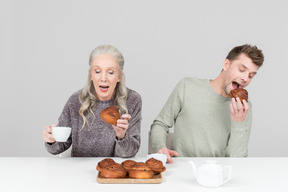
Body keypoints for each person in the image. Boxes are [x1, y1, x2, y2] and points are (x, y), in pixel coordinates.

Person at [150, 44, 264, 163]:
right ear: (226, 65)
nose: (245, 78)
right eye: (241, 70)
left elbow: (237, 161)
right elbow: (160, 124)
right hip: (180, 169)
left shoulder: (244, 108)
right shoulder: (187, 87)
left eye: (251, 75)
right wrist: (160, 147)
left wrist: (238, 124)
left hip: (217, 173)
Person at [42, 45, 142, 157]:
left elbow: (129, 153)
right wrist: (51, 139)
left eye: (110, 72)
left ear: (119, 76)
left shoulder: (132, 100)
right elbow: (58, 147)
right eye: (98, 71)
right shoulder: (75, 101)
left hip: (114, 172)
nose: (103, 78)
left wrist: (121, 136)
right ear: (91, 74)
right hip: (78, 171)